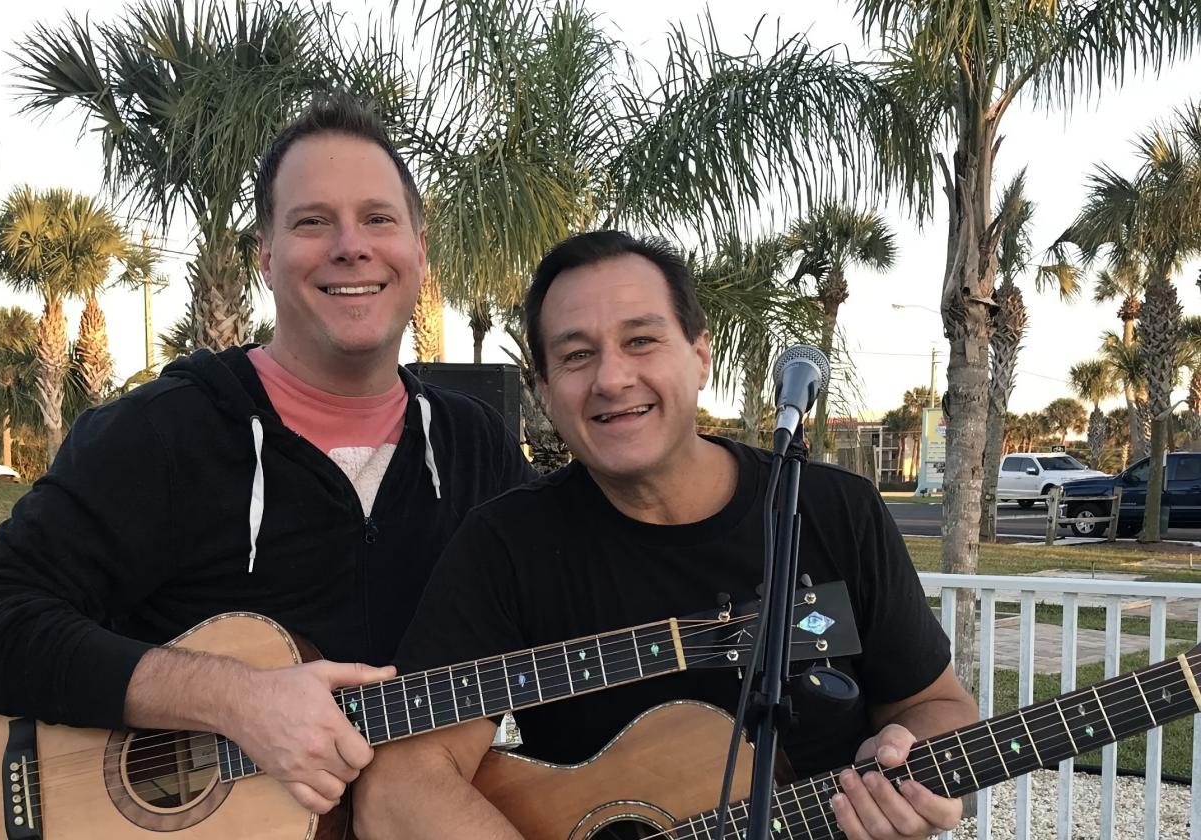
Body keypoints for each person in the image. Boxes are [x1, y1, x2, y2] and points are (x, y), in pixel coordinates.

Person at [0, 94, 535, 817]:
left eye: (379, 218)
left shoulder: (476, 448)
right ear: (267, 255)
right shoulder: (163, 431)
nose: (351, 245)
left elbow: (569, 612)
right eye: (313, 222)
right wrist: (236, 699)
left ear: (418, 248)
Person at [353, 231, 978, 840]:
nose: (612, 378)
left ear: (700, 355)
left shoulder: (834, 510)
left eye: (641, 340)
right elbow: (398, 788)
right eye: (575, 355)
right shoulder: (505, 545)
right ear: (544, 390)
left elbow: (939, 708)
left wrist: (916, 772)